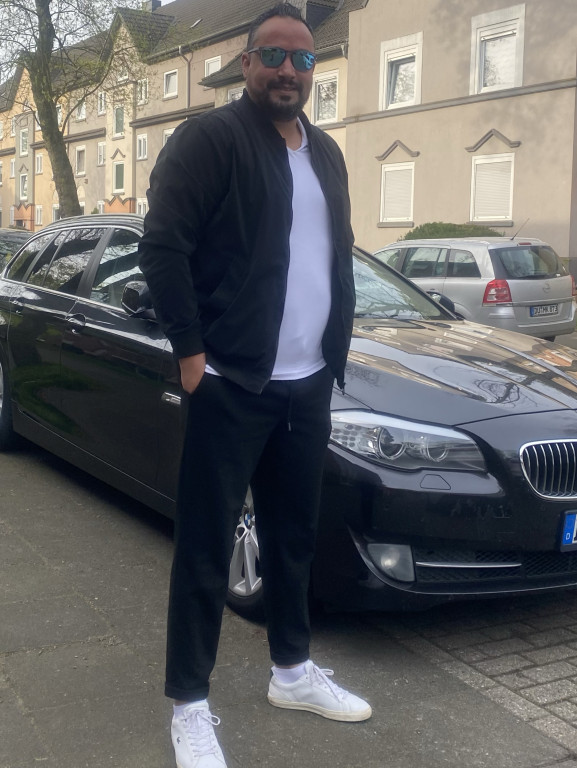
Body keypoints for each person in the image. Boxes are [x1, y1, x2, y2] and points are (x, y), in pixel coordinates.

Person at [138, 4, 371, 766]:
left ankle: (292, 672)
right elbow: (162, 246)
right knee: (206, 545)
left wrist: (334, 352)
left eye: (302, 59)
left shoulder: (325, 152)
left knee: (293, 537)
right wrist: (190, 352)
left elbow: (331, 255)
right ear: (245, 64)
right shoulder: (209, 139)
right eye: (272, 55)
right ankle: (189, 705)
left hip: (307, 384)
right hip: (231, 381)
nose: (287, 70)